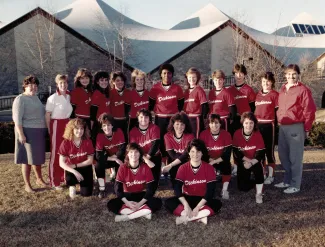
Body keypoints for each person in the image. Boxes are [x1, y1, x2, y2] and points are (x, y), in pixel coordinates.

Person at [275, 64, 316, 194]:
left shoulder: (303, 90)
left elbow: (309, 110)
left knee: (295, 157)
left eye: (294, 74)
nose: (291, 76)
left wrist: (307, 128)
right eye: (288, 74)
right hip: (283, 126)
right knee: (283, 155)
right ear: (285, 75)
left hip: (295, 126)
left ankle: (295, 184)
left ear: (298, 74)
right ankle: (287, 180)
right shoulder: (282, 89)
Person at [165, 139, 222, 225]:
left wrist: (198, 207)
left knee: (217, 204)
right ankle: (200, 217)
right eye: (192, 151)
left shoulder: (209, 168)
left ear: (202, 153)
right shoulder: (183, 168)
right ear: (188, 153)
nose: (195, 154)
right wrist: (186, 205)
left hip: (203, 199)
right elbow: (177, 188)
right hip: (188, 198)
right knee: (168, 202)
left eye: (198, 151)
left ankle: (186, 217)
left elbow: (210, 190)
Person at [107, 143, 162, 222]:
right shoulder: (122, 167)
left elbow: (150, 189)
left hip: (141, 195)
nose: (134, 154)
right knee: (111, 204)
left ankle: (128, 216)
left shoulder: (145, 167)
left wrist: (139, 204)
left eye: (136, 152)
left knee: (158, 202)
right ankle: (143, 212)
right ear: (128, 154)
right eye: (131, 152)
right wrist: (127, 203)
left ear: (140, 154)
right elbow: (117, 189)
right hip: (127, 195)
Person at [12, 75, 48, 193]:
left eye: (35, 85)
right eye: (31, 85)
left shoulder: (36, 98)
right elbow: (17, 119)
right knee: (27, 159)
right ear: (25, 86)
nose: (33, 87)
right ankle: (27, 184)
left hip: (39, 131)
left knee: (36, 158)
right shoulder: (20, 99)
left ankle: (39, 179)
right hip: (27, 131)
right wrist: (21, 134)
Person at [149, 63, 184, 159]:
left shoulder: (177, 88)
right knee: (160, 140)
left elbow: (181, 104)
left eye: (169, 73)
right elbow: (151, 104)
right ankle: (163, 162)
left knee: (172, 139)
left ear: (172, 74)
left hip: (173, 118)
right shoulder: (155, 88)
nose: (166, 75)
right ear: (160, 74)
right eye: (164, 73)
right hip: (160, 118)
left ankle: (172, 161)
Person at [45, 74, 72, 190]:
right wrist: (49, 130)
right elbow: (47, 115)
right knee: (56, 153)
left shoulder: (69, 96)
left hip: (67, 124)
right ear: (57, 84)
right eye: (61, 83)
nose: (63, 85)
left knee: (66, 152)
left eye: (65, 83)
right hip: (56, 124)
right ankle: (54, 181)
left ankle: (64, 177)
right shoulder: (53, 98)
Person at [232, 112, 265, 204]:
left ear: (254, 123)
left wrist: (251, 163)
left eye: (251, 123)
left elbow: (260, 154)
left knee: (258, 169)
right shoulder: (237, 134)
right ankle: (254, 182)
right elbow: (236, 152)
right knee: (242, 188)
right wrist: (246, 161)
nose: (249, 125)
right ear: (242, 123)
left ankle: (259, 193)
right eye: (246, 123)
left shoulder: (257, 134)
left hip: (254, 160)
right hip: (244, 160)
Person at [58, 118, 94, 199]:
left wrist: (76, 166)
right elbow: (61, 163)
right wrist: (74, 171)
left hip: (84, 166)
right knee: (68, 169)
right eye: (77, 128)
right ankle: (72, 185)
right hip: (71, 168)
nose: (79, 131)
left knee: (86, 194)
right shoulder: (66, 142)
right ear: (71, 129)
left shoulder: (88, 141)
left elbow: (90, 160)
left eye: (82, 128)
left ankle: (82, 183)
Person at [199, 114, 232, 199]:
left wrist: (214, 161)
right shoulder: (203, 134)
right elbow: (202, 152)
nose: (214, 125)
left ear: (220, 124)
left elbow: (227, 154)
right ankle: (207, 186)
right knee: (204, 168)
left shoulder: (226, 134)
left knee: (227, 165)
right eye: (212, 123)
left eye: (217, 123)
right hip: (209, 159)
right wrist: (210, 160)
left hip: (220, 159)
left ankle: (224, 190)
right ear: (209, 124)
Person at [254, 72, 279, 185]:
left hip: (270, 125)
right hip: (258, 126)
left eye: (268, 81)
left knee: (269, 151)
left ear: (272, 82)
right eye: (264, 81)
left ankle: (271, 175)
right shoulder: (258, 95)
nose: (265, 83)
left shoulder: (275, 95)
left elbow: (277, 112)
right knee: (260, 151)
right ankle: (263, 173)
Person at [95, 113, 126, 198]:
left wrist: (115, 158)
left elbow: (122, 149)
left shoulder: (118, 131)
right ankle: (102, 188)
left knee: (123, 162)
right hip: (108, 159)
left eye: (109, 125)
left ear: (112, 125)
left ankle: (119, 185)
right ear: (101, 127)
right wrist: (113, 159)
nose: (106, 128)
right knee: (98, 165)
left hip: (118, 157)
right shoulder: (100, 136)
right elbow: (98, 155)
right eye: (104, 125)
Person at [129, 109, 161, 190]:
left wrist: (148, 157)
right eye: (141, 117)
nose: (143, 119)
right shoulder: (133, 131)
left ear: (150, 118)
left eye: (146, 117)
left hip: (153, 156)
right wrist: (145, 159)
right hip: (140, 157)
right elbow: (134, 147)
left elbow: (155, 144)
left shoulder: (154, 128)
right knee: (140, 185)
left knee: (153, 186)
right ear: (137, 118)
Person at [162, 112, 194, 188]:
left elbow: (187, 154)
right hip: (175, 161)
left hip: (186, 161)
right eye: (177, 124)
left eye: (182, 124)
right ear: (173, 125)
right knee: (176, 185)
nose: (179, 127)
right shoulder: (167, 136)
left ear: (186, 125)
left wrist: (170, 165)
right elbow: (172, 155)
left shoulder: (190, 136)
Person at [228, 64, 256, 134]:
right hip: (233, 120)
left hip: (245, 120)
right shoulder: (229, 90)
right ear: (234, 75)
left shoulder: (249, 90)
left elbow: (253, 107)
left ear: (244, 74)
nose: (239, 76)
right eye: (236, 73)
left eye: (241, 73)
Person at [183, 67, 209, 138]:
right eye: (190, 77)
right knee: (188, 137)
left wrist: (204, 118)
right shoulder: (186, 92)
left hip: (196, 118)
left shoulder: (199, 90)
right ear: (187, 78)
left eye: (194, 77)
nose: (192, 79)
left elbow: (204, 105)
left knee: (196, 137)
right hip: (187, 118)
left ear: (197, 78)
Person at [109, 71, 130, 141]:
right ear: (113, 82)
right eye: (117, 80)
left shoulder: (128, 92)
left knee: (126, 141)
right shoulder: (110, 93)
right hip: (114, 122)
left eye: (122, 80)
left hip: (126, 123)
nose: (120, 82)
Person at [90, 71, 110, 142]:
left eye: (106, 80)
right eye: (101, 80)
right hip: (99, 125)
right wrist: (91, 129)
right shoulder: (97, 94)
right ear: (97, 82)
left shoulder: (106, 93)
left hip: (107, 124)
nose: (104, 82)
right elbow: (93, 113)